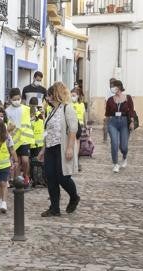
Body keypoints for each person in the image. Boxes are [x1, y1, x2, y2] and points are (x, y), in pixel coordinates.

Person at [38, 82, 80, 217]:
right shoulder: (51, 111)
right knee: (50, 177)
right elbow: (48, 132)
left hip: (62, 148)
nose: (47, 98)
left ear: (55, 94)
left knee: (63, 177)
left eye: (49, 95)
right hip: (50, 148)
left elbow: (73, 129)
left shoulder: (67, 108)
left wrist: (70, 148)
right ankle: (54, 208)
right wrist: (43, 149)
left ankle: (74, 197)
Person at [105, 79, 135, 173]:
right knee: (114, 143)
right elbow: (107, 114)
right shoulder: (110, 100)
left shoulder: (128, 98)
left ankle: (124, 157)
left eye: (113, 86)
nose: (112, 88)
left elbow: (131, 111)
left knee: (124, 146)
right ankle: (115, 164)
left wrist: (132, 122)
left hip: (124, 122)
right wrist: (106, 126)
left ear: (118, 87)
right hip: (112, 122)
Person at [5, 88, 34, 187]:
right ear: (10, 99)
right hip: (14, 139)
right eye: (14, 99)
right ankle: (18, 181)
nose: (17, 101)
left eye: (18, 99)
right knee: (17, 161)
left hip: (25, 138)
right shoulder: (7, 111)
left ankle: (26, 176)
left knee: (25, 160)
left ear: (21, 98)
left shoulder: (26, 108)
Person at [0, 120, 16, 213]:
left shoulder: (7, 137)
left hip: (5, 165)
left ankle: (4, 202)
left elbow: (12, 149)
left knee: (3, 183)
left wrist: (15, 161)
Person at [103, 78, 117, 143]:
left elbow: (106, 100)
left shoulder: (108, 90)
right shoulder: (117, 90)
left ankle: (105, 139)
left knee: (106, 124)